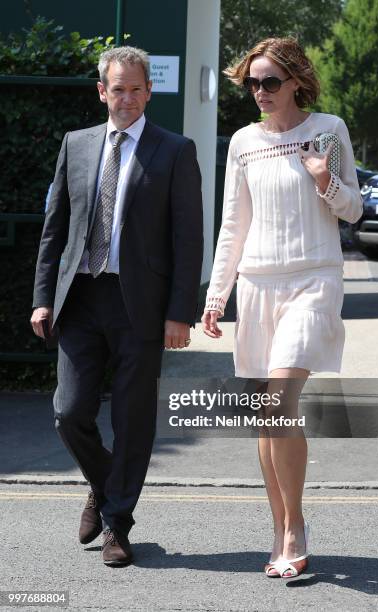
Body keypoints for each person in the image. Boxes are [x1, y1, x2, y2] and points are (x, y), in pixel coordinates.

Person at [31, 46, 203, 567]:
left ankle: (117, 525)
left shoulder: (175, 150)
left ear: (148, 92)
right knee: (68, 411)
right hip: (80, 298)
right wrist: (42, 299)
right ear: (101, 91)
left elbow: (188, 238)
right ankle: (104, 484)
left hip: (141, 306)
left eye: (135, 89)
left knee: (133, 419)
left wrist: (180, 313)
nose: (126, 98)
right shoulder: (76, 145)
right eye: (116, 89)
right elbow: (54, 228)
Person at [202, 37, 362, 578]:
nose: (260, 92)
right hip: (258, 285)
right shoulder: (244, 142)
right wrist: (216, 294)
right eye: (253, 83)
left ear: (296, 81)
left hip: (314, 279)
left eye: (271, 82)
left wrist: (326, 180)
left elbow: (354, 209)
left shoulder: (329, 130)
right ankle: (280, 528)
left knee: (279, 402)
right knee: (268, 418)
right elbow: (233, 224)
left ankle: (294, 527)